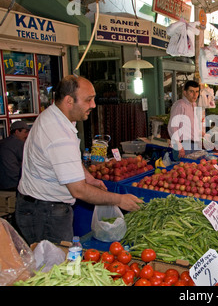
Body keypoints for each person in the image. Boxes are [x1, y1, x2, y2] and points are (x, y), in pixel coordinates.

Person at [15, 75, 143, 245]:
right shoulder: (58, 134)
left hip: (43, 207)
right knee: (53, 265)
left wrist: (89, 178)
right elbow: (79, 191)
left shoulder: (59, 117)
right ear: (69, 101)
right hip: (44, 212)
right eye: (88, 100)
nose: (93, 105)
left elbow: (71, 159)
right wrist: (119, 200)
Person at [168, 80, 203, 159]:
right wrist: (179, 146)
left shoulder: (194, 104)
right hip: (184, 145)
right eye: (191, 91)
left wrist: (202, 134)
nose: (195, 94)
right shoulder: (180, 105)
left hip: (195, 145)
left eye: (197, 92)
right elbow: (172, 127)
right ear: (185, 92)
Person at [0, 121, 30, 191]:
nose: (27, 135)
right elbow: (29, 161)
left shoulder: (3, 142)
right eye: (25, 132)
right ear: (17, 132)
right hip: (14, 183)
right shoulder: (18, 144)